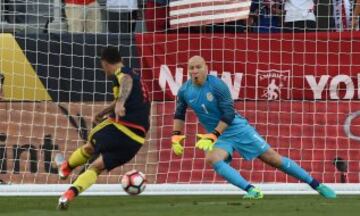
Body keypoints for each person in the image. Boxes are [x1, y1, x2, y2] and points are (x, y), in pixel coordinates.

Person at [171, 55, 336, 199]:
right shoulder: (184, 91)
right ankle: (251, 190)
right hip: (219, 136)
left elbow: (228, 114)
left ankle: (316, 185)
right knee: (212, 158)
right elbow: (179, 114)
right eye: (191, 68)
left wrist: (213, 135)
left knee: (273, 159)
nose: (194, 71)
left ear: (206, 68)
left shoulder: (218, 86)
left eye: (198, 67)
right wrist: (176, 136)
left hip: (237, 129)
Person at [57, 47, 151, 210]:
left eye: (102, 66)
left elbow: (125, 81)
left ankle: (67, 167)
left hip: (122, 127)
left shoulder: (123, 73)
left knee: (89, 147)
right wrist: (103, 112)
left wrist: (120, 104)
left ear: (105, 63)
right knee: (96, 168)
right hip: (136, 140)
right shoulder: (137, 78)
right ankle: (68, 195)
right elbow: (123, 95)